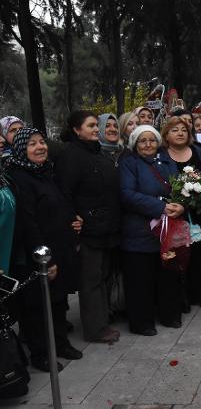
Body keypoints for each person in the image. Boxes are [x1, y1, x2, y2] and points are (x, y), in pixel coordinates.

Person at [7, 127, 83, 370]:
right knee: (37, 307)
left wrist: (75, 219)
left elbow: (60, 203)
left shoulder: (45, 171)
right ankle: (41, 354)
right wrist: (44, 260)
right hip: (36, 255)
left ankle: (60, 343)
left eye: (42, 142)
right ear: (21, 149)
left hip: (58, 247)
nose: (40, 147)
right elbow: (29, 223)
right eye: (32, 144)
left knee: (58, 301)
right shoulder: (19, 178)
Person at [55, 111, 121, 343]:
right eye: (91, 125)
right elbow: (65, 193)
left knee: (102, 276)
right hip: (88, 229)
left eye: (96, 125)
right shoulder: (70, 156)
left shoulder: (98, 153)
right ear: (76, 129)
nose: (96, 129)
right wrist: (76, 219)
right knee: (91, 279)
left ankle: (103, 319)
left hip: (106, 226)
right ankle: (95, 328)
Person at [119, 125, 185, 335]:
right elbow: (127, 194)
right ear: (134, 144)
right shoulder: (129, 164)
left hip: (167, 229)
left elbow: (180, 187)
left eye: (152, 140)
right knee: (141, 279)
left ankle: (170, 315)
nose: (148, 144)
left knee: (168, 274)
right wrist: (160, 207)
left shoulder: (167, 161)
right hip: (140, 231)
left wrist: (181, 204)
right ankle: (142, 322)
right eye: (142, 141)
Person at [160, 116, 201, 309]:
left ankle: (200, 292)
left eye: (183, 129)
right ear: (166, 135)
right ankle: (181, 295)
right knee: (179, 254)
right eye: (175, 130)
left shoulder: (198, 151)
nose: (180, 133)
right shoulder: (162, 155)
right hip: (173, 212)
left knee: (199, 253)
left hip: (197, 211)